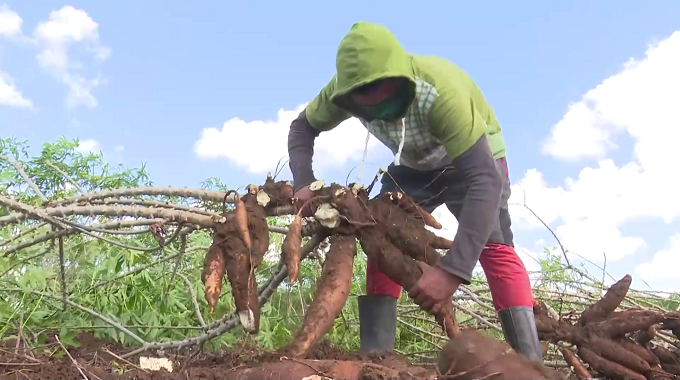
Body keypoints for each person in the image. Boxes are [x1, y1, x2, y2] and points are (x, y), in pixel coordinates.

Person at [287, 21, 543, 362]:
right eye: (371, 107)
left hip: (475, 160)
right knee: (379, 238)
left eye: (389, 100)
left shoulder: (440, 92)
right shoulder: (343, 92)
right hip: (412, 165)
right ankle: (377, 359)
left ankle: (530, 363)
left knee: (494, 247)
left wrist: (452, 270)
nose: (382, 112)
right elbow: (302, 127)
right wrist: (304, 182)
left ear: (401, 80)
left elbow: (485, 180)